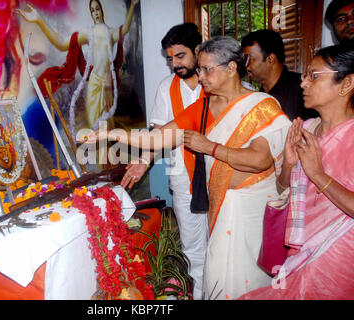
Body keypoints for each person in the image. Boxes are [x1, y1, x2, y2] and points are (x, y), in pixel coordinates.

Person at [83, 36, 291, 300]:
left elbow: (259, 160)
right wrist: (112, 134)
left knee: (251, 277)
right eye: (200, 68)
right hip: (221, 208)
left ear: (231, 68)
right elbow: (157, 138)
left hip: (253, 210)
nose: (200, 75)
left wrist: (209, 147)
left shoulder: (261, 105)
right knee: (216, 271)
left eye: (207, 69)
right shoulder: (203, 107)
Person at [239, 44, 354, 300]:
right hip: (300, 249)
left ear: (346, 84)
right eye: (304, 76)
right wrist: (289, 165)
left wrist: (319, 175)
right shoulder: (308, 129)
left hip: (339, 256)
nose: (303, 84)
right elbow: (284, 189)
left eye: (314, 76)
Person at [121, 23, 208, 300]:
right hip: (184, 180)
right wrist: (142, 162)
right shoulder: (165, 88)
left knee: (222, 243)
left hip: (223, 179)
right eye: (170, 58)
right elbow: (158, 133)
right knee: (193, 248)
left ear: (198, 50)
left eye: (180, 56)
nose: (174, 64)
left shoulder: (217, 81)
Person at [18, 0, 139, 133]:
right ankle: (97, 151)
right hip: (95, 83)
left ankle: (105, 153)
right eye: (92, 10)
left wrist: (133, 6)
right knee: (95, 127)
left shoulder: (110, 33)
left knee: (107, 128)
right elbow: (61, 43)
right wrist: (39, 20)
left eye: (97, 9)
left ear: (102, 11)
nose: (95, 13)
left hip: (108, 84)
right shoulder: (89, 33)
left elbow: (125, 30)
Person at [241, 29, 317, 120]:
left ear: (270, 59)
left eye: (250, 59)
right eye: (245, 60)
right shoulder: (257, 96)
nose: (246, 66)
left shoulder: (303, 89)